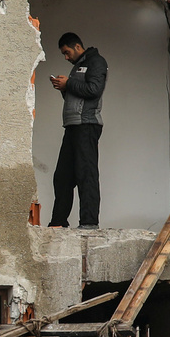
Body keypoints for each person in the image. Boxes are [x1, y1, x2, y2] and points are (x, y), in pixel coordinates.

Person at [47, 31, 108, 229]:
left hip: (87, 125)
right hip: (72, 126)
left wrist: (69, 83)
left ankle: (89, 223)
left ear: (77, 47)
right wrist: (64, 88)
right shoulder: (77, 67)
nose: (66, 57)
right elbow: (77, 96)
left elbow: (94, 90)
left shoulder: (96, 62)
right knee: (62, 176)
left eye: (67, 52)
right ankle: (57, 223)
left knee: (86, 174)